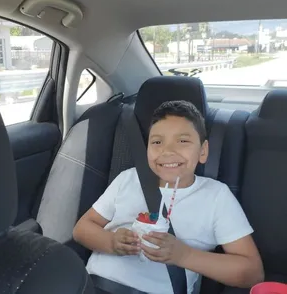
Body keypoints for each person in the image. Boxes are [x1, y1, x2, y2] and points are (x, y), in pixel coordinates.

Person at [73, 100, 264, 294]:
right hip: (95, 285)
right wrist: (111, 242)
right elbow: (82, 229)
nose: (168, 151)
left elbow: (252, 272)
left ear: (203, 151)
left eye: (183, 141)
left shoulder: (216, 196)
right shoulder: (129, 179)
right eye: (157, 142)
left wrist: (184, 255)